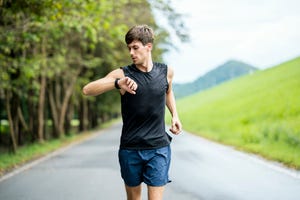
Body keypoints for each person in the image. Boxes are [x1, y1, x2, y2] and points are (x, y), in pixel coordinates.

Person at [82, 24, 182, 200]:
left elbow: (168, 92)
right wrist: (117, 83)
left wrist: (175, 115)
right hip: (130, 149)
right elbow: (87, 90)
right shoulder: (123, 74)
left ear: (148, 47)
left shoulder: (166, 72)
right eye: (129, 48)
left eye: (135, 47)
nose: (131, 53)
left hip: (158, 147)